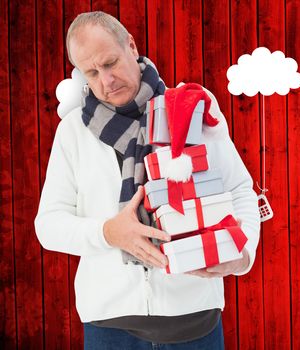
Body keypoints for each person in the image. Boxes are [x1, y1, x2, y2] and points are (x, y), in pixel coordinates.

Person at [34, 11, 260, 349]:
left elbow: (240, 189)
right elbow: (48, 226)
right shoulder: (73, 132)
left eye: (110, 63)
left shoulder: (191, 106)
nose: (106, 81)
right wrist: (109, 233)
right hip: (109, 325)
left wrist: (242, 254)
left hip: (194, 317)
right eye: (91, 73)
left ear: (131, 45)